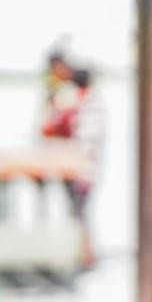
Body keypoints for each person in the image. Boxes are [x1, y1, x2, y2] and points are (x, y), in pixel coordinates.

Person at [43, 67, 104, 268]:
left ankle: (84, 255)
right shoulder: (92, 103)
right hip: (86, 168)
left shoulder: (79, 104)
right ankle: (85, 254)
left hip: (81, 170)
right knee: (81, 213)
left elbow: (55, 129)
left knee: (79, 213)